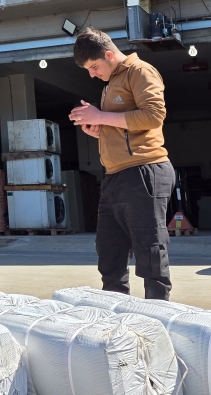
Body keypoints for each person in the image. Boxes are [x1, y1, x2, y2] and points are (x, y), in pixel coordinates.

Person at [67, 27, 174, 300]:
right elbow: (122, 125)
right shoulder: (111, 83)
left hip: (144, 170)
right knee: (109, 252)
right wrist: (99, 128)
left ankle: (158, 315)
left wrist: (101, 116)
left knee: (149, 250)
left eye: (94, 66)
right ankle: (117, 318)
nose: (92, 73)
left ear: (109, 54)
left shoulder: (140, 71)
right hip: (115, 176)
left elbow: (153, 116)